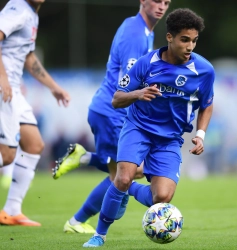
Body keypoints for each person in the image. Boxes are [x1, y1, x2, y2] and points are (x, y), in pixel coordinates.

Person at [83, 8, 215, 247]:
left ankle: (128, 188)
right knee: (122, 176)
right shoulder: (146, 64)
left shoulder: (204, 70)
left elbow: (207, 104)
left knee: (162, 198)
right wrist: (139, 93)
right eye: (184, 40)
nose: (190, 47)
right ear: (170, 37)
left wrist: (200, 135)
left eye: (194, 41)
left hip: (170, 139)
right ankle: (99, 235)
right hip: (138, 128)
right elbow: (117, 98)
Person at [52, 0, 171, 234]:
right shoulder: (136, 35)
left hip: (109, 111)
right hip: (112, 112)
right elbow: (125, 85)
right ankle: (76, 220)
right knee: (126, 173)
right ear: (142, 1)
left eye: (166, 2)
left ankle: (83, 159)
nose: (161, 6)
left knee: (124, 171)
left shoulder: (138, 27)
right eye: (157, 0)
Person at [0, 0, 70, 226]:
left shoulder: (31, 13)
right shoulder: (18, 9)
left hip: (13, 89)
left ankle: (11, 210)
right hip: (4, 87)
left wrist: (54, 87)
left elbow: (29, 57)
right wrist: (2, 77)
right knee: (7, 156)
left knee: (34, 145)